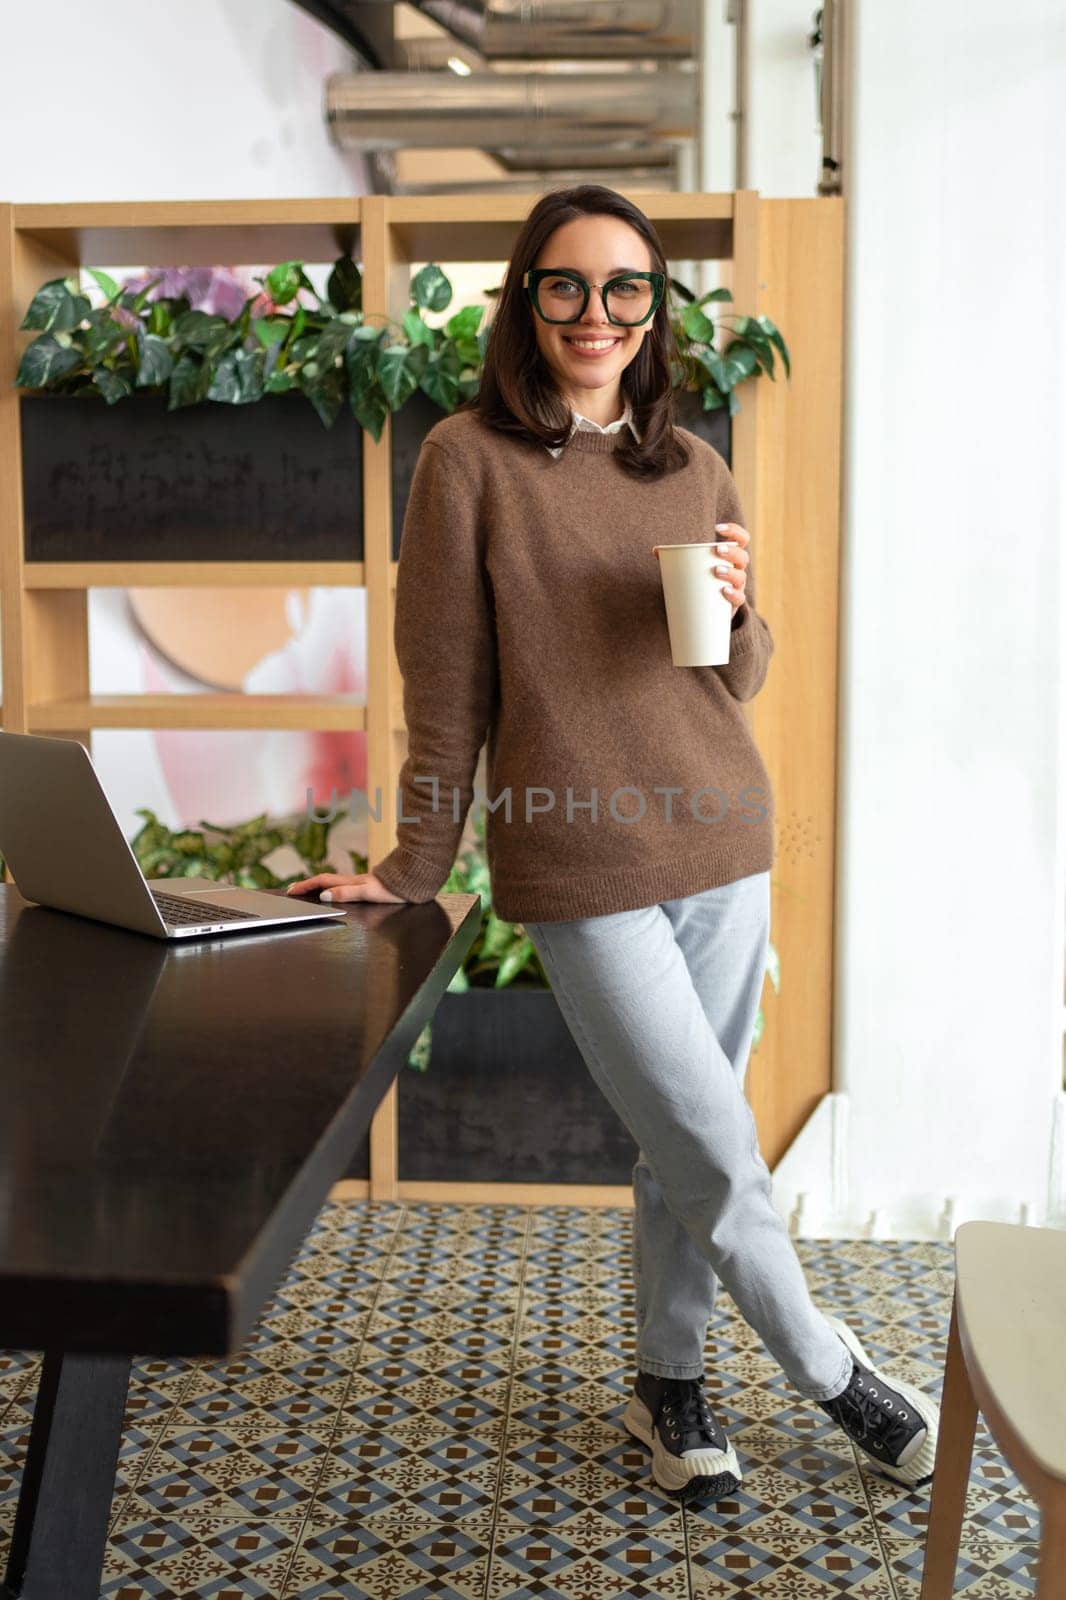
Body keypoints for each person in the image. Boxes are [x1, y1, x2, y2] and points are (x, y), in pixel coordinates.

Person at [287, 184, 941, 1502]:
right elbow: (447, 685)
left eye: (625, 288)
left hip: (720, 832)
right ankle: (829, 1373)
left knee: (677, 1138)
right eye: (567, 287)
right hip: (572, 857)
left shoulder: (687, 463)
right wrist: (414, 862)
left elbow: (734, 677)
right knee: (708, 1136)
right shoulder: (465, 461)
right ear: (526, 300)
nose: (598, 314)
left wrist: (741, 609)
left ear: (655, 307)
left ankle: (668, 1383)